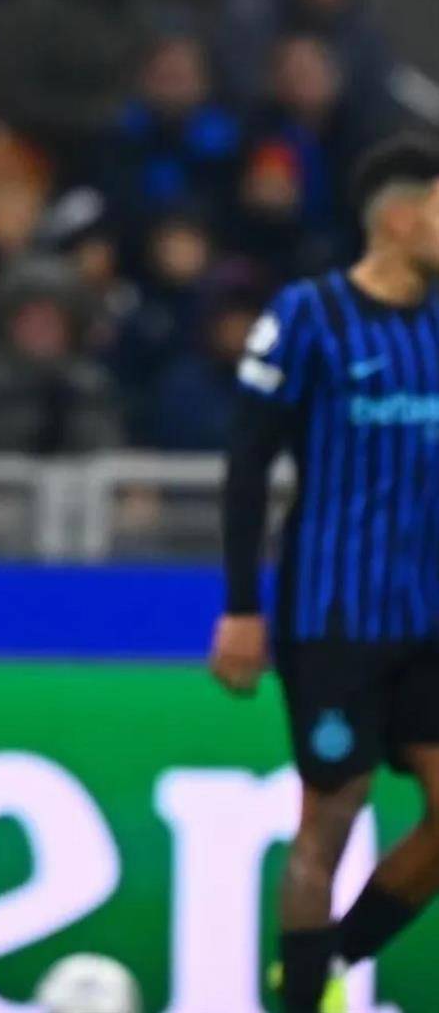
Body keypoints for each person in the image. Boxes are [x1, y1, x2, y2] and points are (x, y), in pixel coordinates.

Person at [210, 133, 439, 1012]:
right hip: (332, 617)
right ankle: (306, 993)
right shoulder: (307, 316)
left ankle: (326, 964)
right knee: (330, 818)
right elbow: (246, 463)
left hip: (425, 619)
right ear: (399, 217)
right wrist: (241, 608)